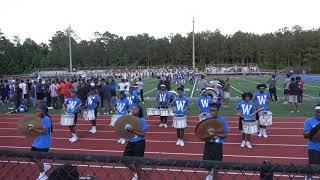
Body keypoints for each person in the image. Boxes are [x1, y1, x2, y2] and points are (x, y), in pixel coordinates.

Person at [203, 103, 229, 180]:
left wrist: (215, 134)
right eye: (210, 111)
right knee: (207, 161)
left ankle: (215, 177)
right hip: (208, 144)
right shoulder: (207, 120)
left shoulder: (222, 120)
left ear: (218, 111)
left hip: (217, 145)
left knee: (216, 163)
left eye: (214, 111)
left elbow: (225, 135)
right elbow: (203, 132)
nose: (211, 112)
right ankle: (209, 174)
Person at [123, 105, 148, 180]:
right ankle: (136, 173)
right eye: (133, 109)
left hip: (139, 143)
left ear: (140, 111)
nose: (134, 110)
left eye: (136, 109)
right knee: (125, 160)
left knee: (137, 163)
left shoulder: (142, 120)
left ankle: (139, 178)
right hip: (131, 142)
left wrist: (132, 130)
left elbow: (143, 134)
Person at [30, 105, 52, 180]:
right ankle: (45, 166)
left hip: (43, 143)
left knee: (36, 158)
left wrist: (34, 129)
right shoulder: (38, 118)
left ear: (44, 112)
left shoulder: (46, 119)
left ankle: (43, 175)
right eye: (37, 110)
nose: (38, 112)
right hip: (37, 142)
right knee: (32, 158)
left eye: (39, 111)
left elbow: (45, 131)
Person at [303, 104, 320, 180]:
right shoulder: (309, 121)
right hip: (314, 148)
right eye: (317, 112)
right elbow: (306, 134)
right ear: (315, 112)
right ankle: (308, 177)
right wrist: (316, 129)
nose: (319, 113)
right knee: (312, 165)